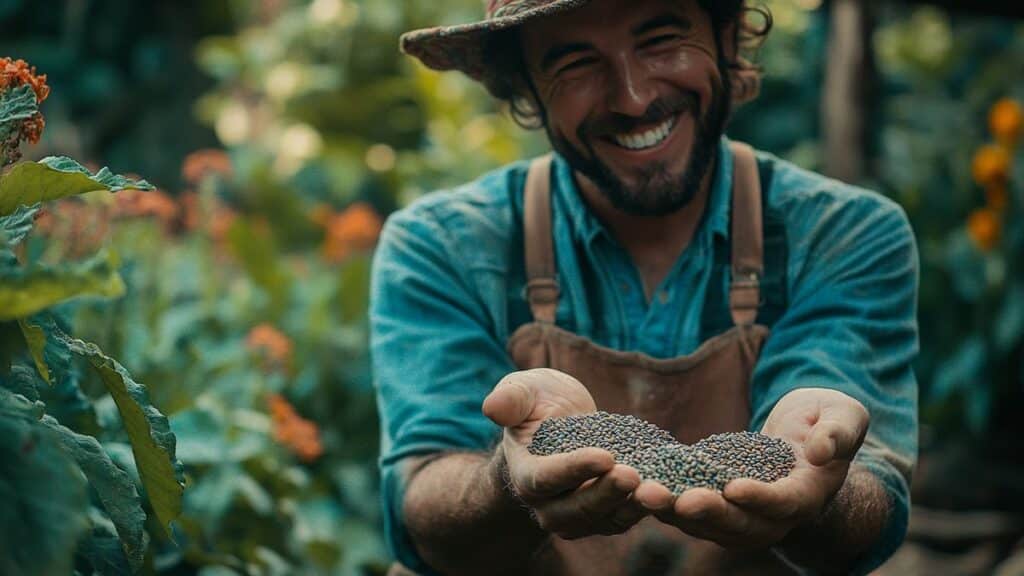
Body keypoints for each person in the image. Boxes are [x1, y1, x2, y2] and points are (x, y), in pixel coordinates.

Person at [371, 0, 919, 574]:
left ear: (727, 37)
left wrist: (818, 484)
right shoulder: (442, 247)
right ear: (527, 88)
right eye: (576, 64)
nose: (632, 99)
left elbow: (866, 508)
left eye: (661, 40)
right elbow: (425, 507)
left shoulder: (842, 236)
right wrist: (506, 481)